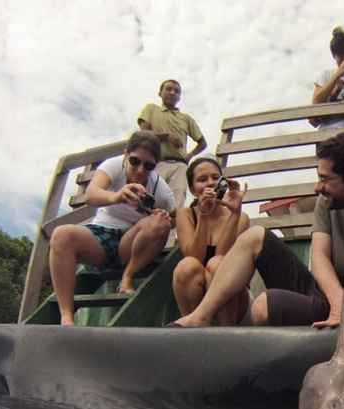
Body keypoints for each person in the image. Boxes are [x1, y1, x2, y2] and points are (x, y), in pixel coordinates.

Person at [169, 132, 344, 378]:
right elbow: (319, 257)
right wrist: (339, 304)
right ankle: (199, 318)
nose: (318, 187)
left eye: (325, 179)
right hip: (326, 297)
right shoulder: (327, 201)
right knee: (256, 236)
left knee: (263, 307)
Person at [49, 131, 174, 325]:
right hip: (100, 237)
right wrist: (116, 196)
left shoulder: (161, 189)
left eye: (148, 165)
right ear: (126, 155)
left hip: (132, 244)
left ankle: (127, 277)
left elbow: (175, 215)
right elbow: (91, 195)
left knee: (160, 221)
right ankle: (66, 316)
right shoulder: (114, 166)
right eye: (135, 161)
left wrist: (161, 216)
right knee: (61, 235)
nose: (141, 170)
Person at [172, 157, 251, 323]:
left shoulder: (240, 218)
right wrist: (204, 215)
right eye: (202, 179)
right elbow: (195, 256)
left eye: (215, 178)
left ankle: (226, 335)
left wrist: (234, 214)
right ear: (193, 190)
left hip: (234, 299)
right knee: (187, 266)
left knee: (217, 263)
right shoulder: (186, 214)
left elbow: (224, 258)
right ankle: (194, 332)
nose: (210, 183)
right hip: (196, 294)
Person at [138, 79, 207, 208]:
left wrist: (190, 155)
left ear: (179, 97)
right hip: (156, 163)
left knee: (176, 203)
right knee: (149, 199)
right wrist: (166, 136)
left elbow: (202, 143)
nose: (172, 92)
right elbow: (143, 135)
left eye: (176, 91)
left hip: (180, 165)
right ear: (160, 93)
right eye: (168, 89)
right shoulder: (151, 109)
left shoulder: (186, 118)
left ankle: (172, 227)